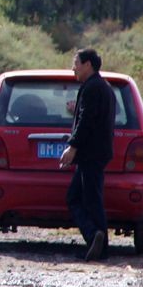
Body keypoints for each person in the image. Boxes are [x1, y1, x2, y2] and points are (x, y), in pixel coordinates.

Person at [60, 47, 116, 261]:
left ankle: (97, 240)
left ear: (88, 65)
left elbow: (86, 121)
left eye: (76, 63)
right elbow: (91, 115)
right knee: (78, 197)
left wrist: (72, 146)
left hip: (90, 154)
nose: (73, 68)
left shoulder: (92, 88)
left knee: (90, 199)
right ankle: (96, 239)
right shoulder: (103, 87)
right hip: (95, 153)